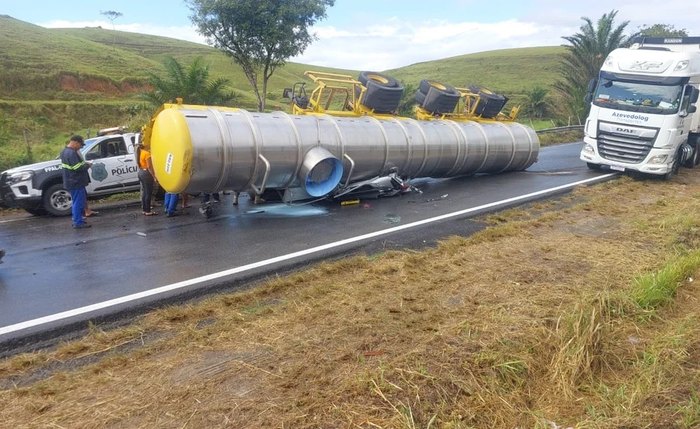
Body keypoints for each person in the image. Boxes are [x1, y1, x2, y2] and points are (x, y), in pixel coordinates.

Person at [60, 135, 92, 229]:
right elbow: (77, 168)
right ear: (75, 142)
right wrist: (88, 166)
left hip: (71, 181)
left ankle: (78, 219)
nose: (80, 147)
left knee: (76, 201)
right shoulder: (72, 153)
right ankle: (78, 222)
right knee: (78, 202)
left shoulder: (64, 152)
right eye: (80, 145)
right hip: (75, 181)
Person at [138, 144, 158, 216]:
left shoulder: (140, 152)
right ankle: (148, 211)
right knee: (148, 193)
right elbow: (149, 166)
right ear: (146, 146)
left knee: (145, 192)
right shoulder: (147, 154)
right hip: (147, 173)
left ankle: (144, 210)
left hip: (141, 172)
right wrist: (154, 176)